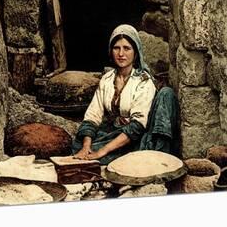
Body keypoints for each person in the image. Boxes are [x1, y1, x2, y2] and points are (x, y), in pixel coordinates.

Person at [72, 24, 179, 165]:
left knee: (122, 155)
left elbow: (137, 127)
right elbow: (92, 116)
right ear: (111, 51)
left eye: (127, 48)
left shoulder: (143, 81)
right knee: (78, 145)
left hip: (134, 137)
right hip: (115, 133)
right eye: (116, 48)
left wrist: (102, 151)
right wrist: (86, 148)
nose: (121, 54)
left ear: (135, 53)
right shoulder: (107, 79)